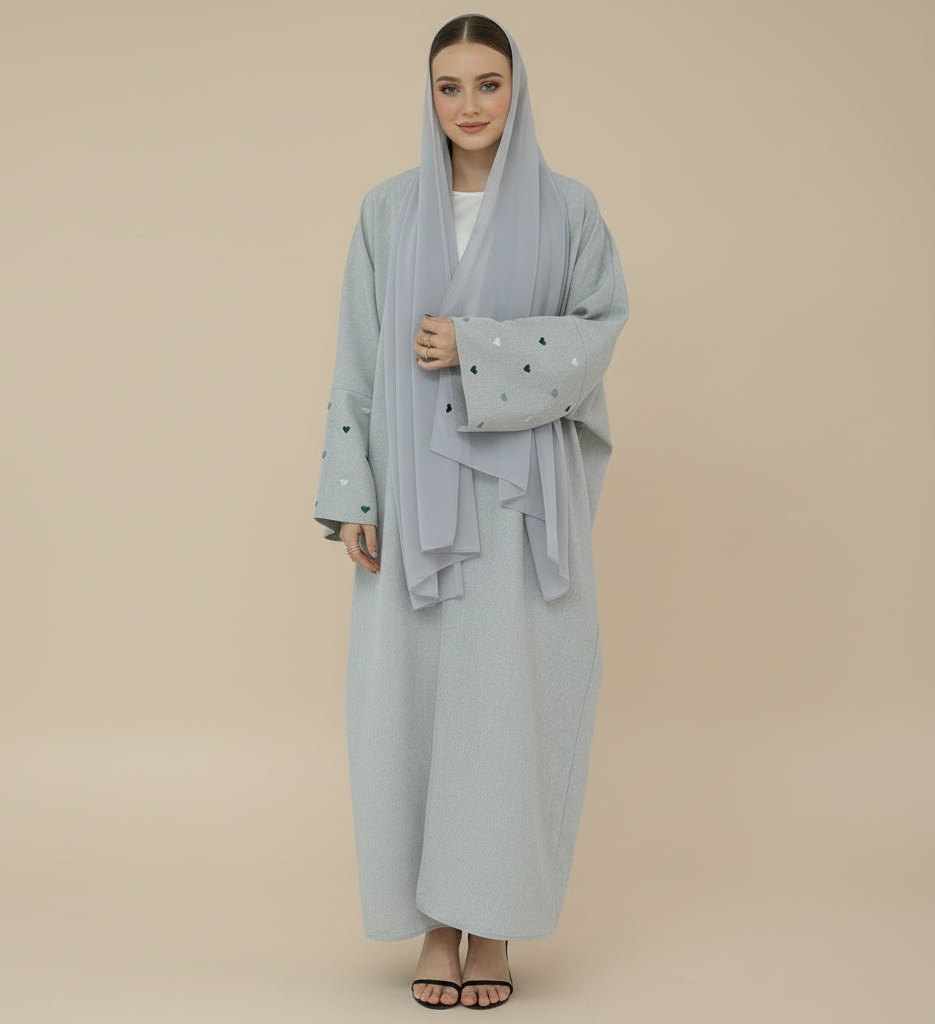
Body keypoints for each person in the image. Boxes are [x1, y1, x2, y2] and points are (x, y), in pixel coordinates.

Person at [313, 13, 629, 1010]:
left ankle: (490, 924)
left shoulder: (568, 209)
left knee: (505, 707)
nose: (469, 105)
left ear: (515, 88)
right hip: (412, 497)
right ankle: (434, 923)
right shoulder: (389, 209)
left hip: (518, 502)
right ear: (429, 96)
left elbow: (597, 335)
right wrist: (353, 495)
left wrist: (477, 346)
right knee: (409, 706)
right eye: (448, 86)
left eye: (487, 83)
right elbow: (358, 354)